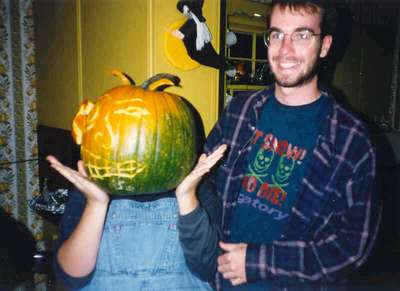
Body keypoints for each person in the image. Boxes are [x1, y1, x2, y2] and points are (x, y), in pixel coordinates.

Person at [175, 0, 381, 290]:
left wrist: (259, 261)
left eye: (302, 35)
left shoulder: (352, 141)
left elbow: (351, 246)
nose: (285, 49)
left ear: (324, 46)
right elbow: (206, 183)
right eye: (276, 34)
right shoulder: (240, 111)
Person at [46, 145, 226, 290]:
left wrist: (187, 196)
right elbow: (71, 277)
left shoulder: (197, 186)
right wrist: (96, 204)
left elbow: (206, 268)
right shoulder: (92, 186)